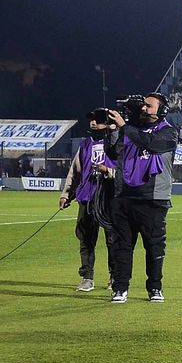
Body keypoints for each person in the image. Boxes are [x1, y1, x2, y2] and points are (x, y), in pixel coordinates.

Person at [105, 94, 178, 304]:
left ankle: (155, 287)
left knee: (154, 247)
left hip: (153, 198)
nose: (144, 109)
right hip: (125, 196)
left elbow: (151, 144)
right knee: (122, 246)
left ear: (162, 110)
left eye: (149, 106)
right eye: (143, 106)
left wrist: (125, 127)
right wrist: (113, 131)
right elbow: (111, 154)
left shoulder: (168, 132)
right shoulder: (129, 130)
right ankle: (120, 288)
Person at [58, 110, 117, 292]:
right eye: (91, 119)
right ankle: (87, 277)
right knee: (86, 240)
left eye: (98, 120)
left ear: (109, 124)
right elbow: (75, 172)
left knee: (113, 241)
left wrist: (108, 171)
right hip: (86, 198)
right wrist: (66, 194)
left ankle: (115, 277)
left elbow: (126, 171)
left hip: (109, 199)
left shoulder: (117, 144)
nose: (93, 123)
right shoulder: (85, 145)